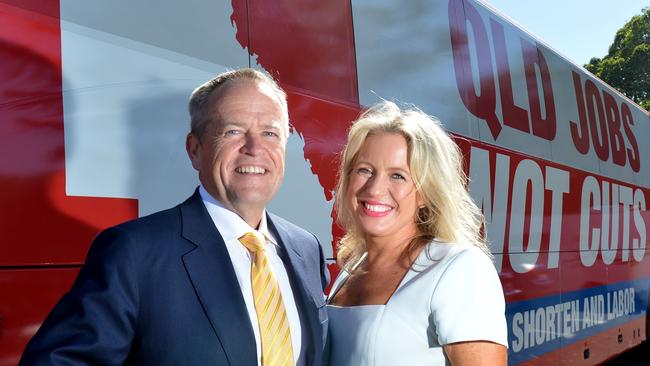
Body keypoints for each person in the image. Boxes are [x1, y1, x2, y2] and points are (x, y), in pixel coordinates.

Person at [21, 68, 329, 366]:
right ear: (195, 150)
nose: (254, 148)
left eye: (270, 133)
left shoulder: (306, 249)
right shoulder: (132, 252)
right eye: (233, 131)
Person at [326, 101, 508, 365]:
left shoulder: (459, 267)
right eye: (365, 170)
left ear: (426, 192)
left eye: (397, 176)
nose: (375, 189)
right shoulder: (351, 270)